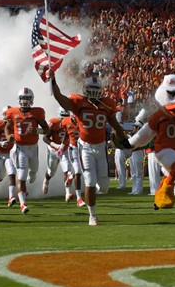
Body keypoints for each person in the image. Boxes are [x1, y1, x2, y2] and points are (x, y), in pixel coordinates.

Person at [50, 72, 127, 225]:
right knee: (90, 182)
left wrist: (126, 142)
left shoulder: (106, 104)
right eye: (90, 89)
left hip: (101, 147)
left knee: (104, 187)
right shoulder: (78, 102)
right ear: (85, 89)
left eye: (95, 89)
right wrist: (52, 80)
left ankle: (90, 194)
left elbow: (116, 126)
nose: (93, 92)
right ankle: (92, 216)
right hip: (85, 148)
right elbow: (59, 97)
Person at [126, 74, 175, 209]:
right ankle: (166, 192)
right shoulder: (159, 116)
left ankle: (157, 199)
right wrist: (132, 142)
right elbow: (146, 133)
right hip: (163, 149)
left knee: (169, 173)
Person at [5, 88, 49, 215]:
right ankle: (23, 204)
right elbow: (7, 128)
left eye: (27, 98)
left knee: (33, 171)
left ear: (32, 99)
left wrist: (37, 131)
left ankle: (32, 175)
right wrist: (8, 137)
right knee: (22, 176)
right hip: (21, 148)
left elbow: (46, 129)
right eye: (23, 98)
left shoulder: (37, 112)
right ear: (19, 99)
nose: (25, 101)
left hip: (33, 147)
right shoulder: (12, 112)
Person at [42, 107, 74, 200]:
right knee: (51, 172)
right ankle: (47, 180)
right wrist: (56, 145)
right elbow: (45, 138)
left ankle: (67, 193)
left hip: (65, 150)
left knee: (67, 171)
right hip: (53, 150)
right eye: (63, 117)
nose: (64, 120)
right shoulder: (54, 123)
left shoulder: (71, 122)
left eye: (66, 117)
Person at [0, 106, 18, 207]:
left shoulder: (15, 126)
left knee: (12, 173)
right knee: (0, 175)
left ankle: (11, 197)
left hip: (10, 153)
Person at [60, 111, 86, 206]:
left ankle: (70, 177)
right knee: (78, 172)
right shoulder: (66, 121)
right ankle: (79, 198)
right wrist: (62, 146)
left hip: (84, 148)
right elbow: (67, 134)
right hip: (73, 148)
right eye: (74, 120)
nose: (76, 122)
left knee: (84, 170)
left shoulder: (83, 121)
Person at [129, 109, 148, 195]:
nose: (133, 128)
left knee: (138, 172)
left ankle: (139, 189)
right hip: (132, 153)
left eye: (135, 127)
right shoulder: (134, 135)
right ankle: (134, 189)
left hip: (138, 153)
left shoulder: (141, 135)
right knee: (133, 172)